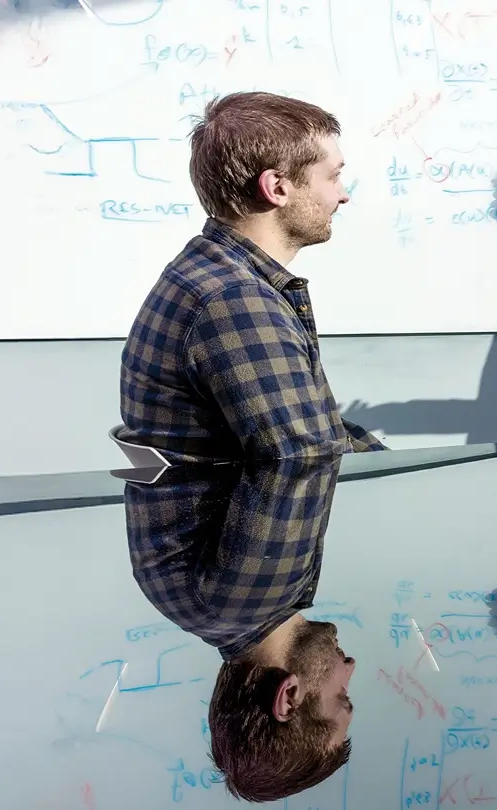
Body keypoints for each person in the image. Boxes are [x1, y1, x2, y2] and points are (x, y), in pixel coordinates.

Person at [117, 91, 385, 463]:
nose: (343, 195)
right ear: (277, 188)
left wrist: (398, 468)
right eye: (333, 176)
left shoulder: (205, 270)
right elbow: (305, 466)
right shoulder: (236, 302)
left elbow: (316, 430)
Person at [122, 455, 355, 802]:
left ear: (288, 698)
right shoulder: (201, 610)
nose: (350, 667)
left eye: (342, 697)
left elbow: (302, 445)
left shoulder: (259, 591)